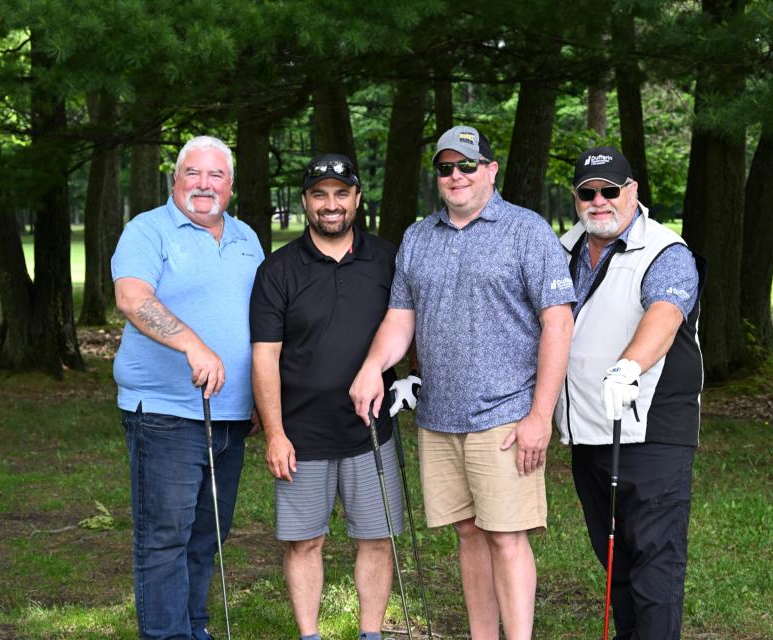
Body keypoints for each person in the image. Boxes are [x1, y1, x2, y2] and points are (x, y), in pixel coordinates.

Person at [350, 126, 575, 640]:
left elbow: (558, 323)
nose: (456, 176)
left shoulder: (527, 231)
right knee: (469, 534)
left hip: (506, 417)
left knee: (507, 538)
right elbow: (399, 318)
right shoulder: (418, 237)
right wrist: (371, 367)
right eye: (446, 167)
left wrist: (540, 415)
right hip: (438, 417)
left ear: (491, 170)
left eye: (467, 165)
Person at [112, 135, 264, 640]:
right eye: (192, 174)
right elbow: (133, 298)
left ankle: (193, 627)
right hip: (165, 413)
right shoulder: (148, 230)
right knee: (165, 538)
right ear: (174, 181)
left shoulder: (247, 238)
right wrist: (193, 345)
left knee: (207, 535)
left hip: (231, 415)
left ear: (231, 186)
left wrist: (264, 399)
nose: (204, 184)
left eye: (215, 175)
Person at [250, 154, 405, 640]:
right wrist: (274, 434)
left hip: (371, 430)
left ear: (357, 199)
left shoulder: (386, 258)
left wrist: (412, 374)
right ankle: (310, 635)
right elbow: (264, 358)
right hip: (302, 434)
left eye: (341, 194)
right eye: (320, 195)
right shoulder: (277, 270)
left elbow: (408, 325)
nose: (331, 205)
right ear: (305, 202)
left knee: (377, 540)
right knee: (304, 542)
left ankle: (371, 633)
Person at [556, 146, 705, 640]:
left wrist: (628, 367)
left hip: (651, 431)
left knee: (654, 565)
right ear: (577, 198)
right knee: (615, 559)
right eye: (588, 192)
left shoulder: (665, 251)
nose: (600, 201)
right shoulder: (565, 249)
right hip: (590, 435)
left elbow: (665, 312)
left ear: (632, 192)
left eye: (610, 190)